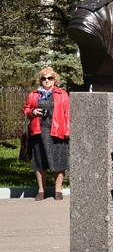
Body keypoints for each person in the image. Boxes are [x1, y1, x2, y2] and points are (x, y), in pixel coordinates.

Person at [22, 68, 70, 200]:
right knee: (39, 162)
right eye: (44, 78)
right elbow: (25, 109)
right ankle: (41, 191)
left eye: (50, 78)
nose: (47, 80)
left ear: (55, 80)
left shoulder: (62, 94)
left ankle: (58, 190)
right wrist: (32, 112)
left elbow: (67, 114)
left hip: (57, 131)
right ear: (40, 80)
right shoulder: (34, 94)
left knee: (58, 161)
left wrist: (67, 131)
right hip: (38, 131)